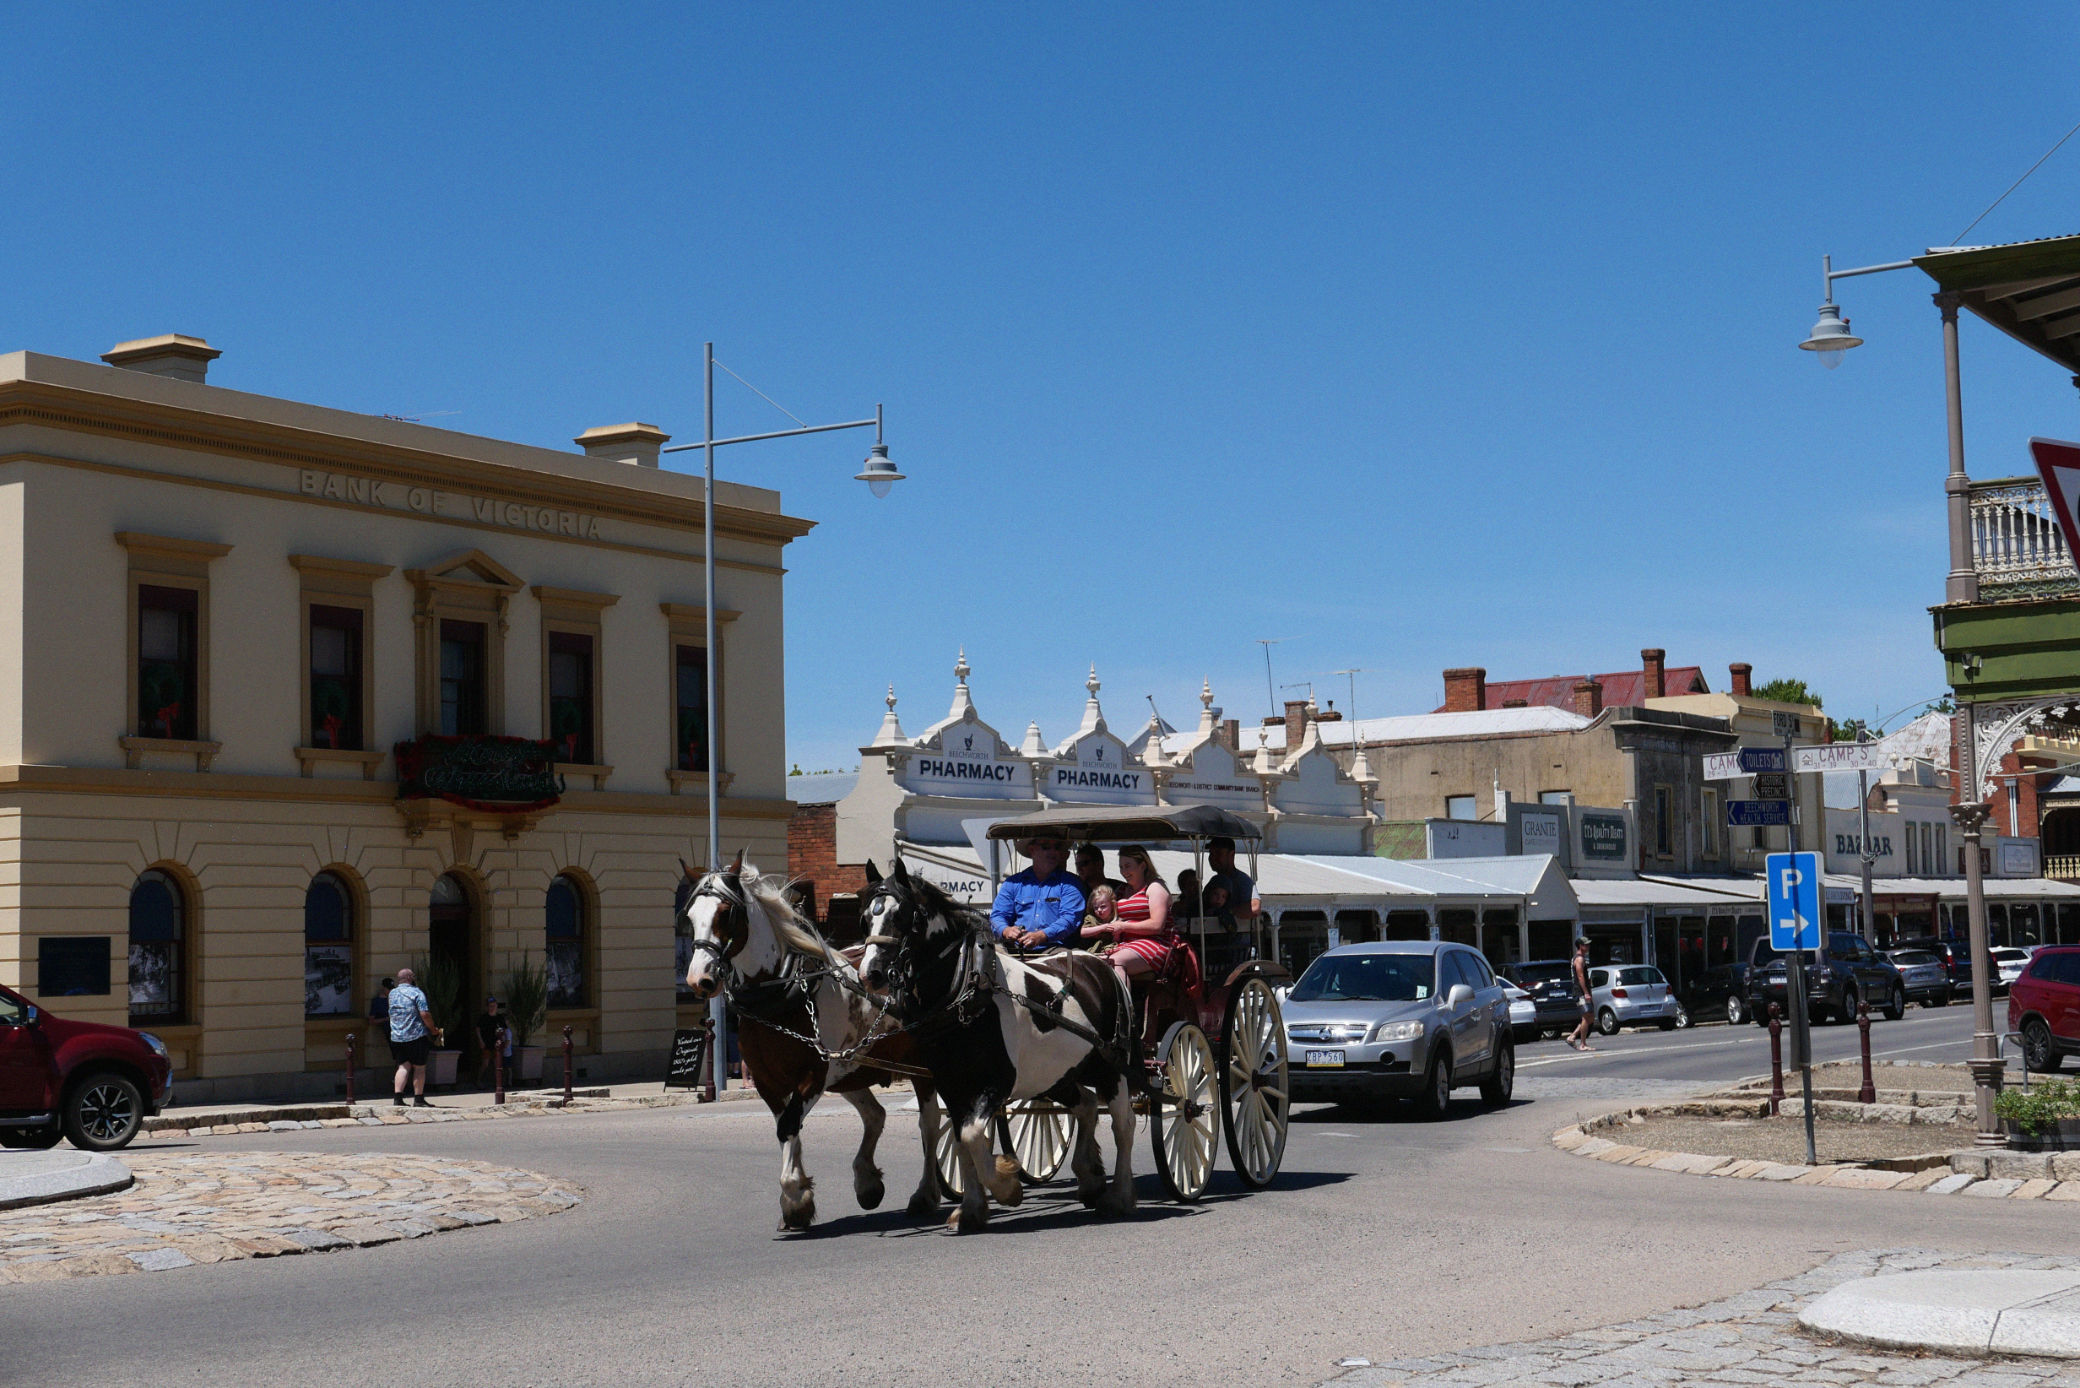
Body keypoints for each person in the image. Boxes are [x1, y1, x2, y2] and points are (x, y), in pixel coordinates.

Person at [1083, 845, 1182, 988]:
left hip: (1156, 943)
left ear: (1142, 866)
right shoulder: (1121, 890)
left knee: (1115, 962)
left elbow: (1157, 925)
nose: (1124, 871)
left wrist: (1123, 926)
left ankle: (1123, 1003)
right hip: (1126, 944)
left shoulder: (1155, 887)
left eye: (1128, 866)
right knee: (1095, 962)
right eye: (1121, 867)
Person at [989, 835, 1087, 952]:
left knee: (1066, 958)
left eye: (1057, 847)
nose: (1053, 852)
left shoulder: (1071, 883)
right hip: (1015, 949)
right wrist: (1006, 930)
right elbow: (998, 916)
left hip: (1054, 950)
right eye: (1046, 847)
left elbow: (1069, 919)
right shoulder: (1013, 883)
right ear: (1032, 850)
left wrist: (1041, 936)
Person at [389, 966, 443, 1107]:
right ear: (409, 978)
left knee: (403, 1067)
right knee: (419, 1068)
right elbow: (424, 1014)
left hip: (397, 1037)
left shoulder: (392, 993)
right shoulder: (417, 993)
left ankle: (398, 1098)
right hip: (416, 1036)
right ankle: (418, 1099)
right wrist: (433, 1030)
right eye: (413, 976)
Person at [1207, 836, 1261, 925]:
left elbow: (1255, 908)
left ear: (1231, 855)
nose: (1213, 858)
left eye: (1218, 853)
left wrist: (1228, 912)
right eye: (1211, 853)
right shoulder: (1215, 881)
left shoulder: (1242, 880)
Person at [1565, 937, 1597, 1052]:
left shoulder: (1581, 958)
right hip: (1580, 992)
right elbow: (1580, 976)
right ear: (1580, 946)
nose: (1588, 947)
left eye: (1588, 944)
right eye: (1586, 945)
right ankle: (1583, 1044)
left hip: (1583, 991)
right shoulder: (1579, 959)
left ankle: (1572, 1037)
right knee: (1586, 1016)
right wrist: (1586, 992)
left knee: (1590, 1017)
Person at [474, 995, 507, 1089]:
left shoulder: (500, 1018)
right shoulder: (484, 1017)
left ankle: (498, 1083)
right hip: (486, 1044)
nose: (492, 1007)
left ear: (496, 1006)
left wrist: (504, 1040)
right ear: (487, 1007)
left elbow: (504, 1030)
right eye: (490, 1006)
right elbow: (477, 1029)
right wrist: (480, 1041)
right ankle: (478, 1080)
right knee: (485, 1063)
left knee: (497, 1064)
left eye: (494, 1005)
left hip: (497, 1044)